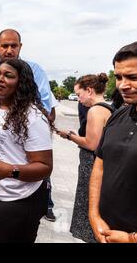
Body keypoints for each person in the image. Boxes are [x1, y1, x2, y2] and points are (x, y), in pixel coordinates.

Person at [0, 29, 56, 242]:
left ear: (22, 82)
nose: (0, 79)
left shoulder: (33, 117)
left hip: (15, 200)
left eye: (8, 75)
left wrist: (10, 170)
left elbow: (45, 166)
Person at [89, 43, 137, 243]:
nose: (122, 85)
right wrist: (94, 216)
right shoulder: (118, 116)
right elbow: (100, 166)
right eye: (118, 77)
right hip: (104, 232)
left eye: (133, 77)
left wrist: (131, 239)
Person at [57, 74, 113, 243]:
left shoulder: (95, 110)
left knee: (89, 208)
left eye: (79, 94)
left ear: (89, 91)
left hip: (92, 165)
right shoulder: (108, 108)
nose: (79, 100)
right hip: (102, 165)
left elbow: (91, 144)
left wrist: (69, 135)